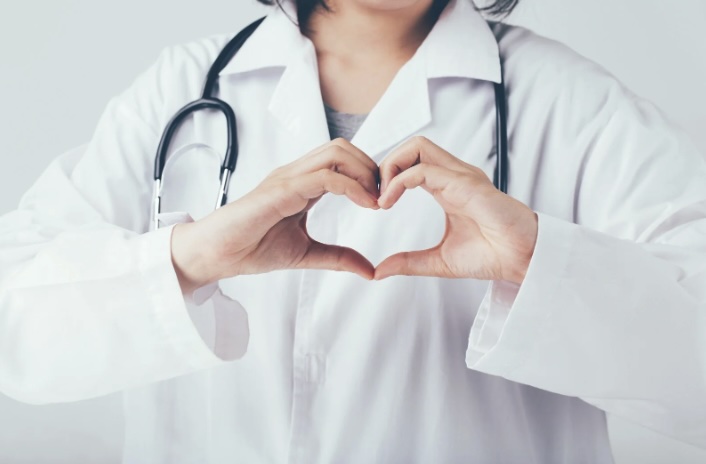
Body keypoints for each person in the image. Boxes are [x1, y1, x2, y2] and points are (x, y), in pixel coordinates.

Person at [0, 0, 705, 462]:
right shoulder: (179, 89)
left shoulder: (571, 105)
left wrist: (544, 263)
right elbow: (14, 323)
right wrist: (189, 258)